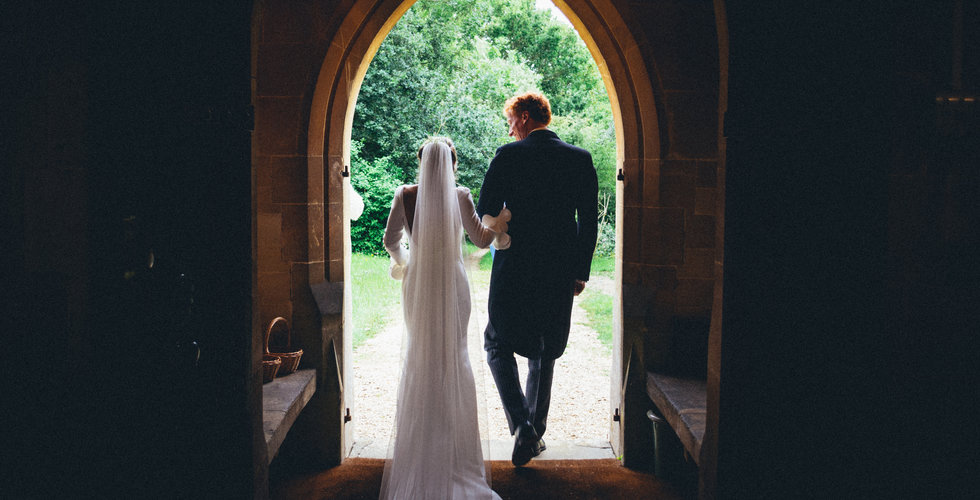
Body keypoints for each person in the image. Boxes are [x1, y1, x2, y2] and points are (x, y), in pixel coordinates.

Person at [477, 92, 599, 467]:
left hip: (515, 266)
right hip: (559, 267)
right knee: (545, 344)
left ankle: (523, 427)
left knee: (496, 340)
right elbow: (590, 221)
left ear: (526, 118)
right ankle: (534, 429)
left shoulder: (509, 155)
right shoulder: (580, 159)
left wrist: (507, 216)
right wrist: (580, 271)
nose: (510, 128)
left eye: (512, 120)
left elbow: (485, 208)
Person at [380, 137, 505, 500]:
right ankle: (456, 455)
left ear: (421, 163)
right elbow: (481, 240)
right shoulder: (461, 195)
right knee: (454, 356)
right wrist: (500, 221)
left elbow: (390, 241)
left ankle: (421, 449)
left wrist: (405, 262)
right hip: (452, 284)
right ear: (451, 164)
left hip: (418, 284)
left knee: (420, 357)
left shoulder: (404, 195)